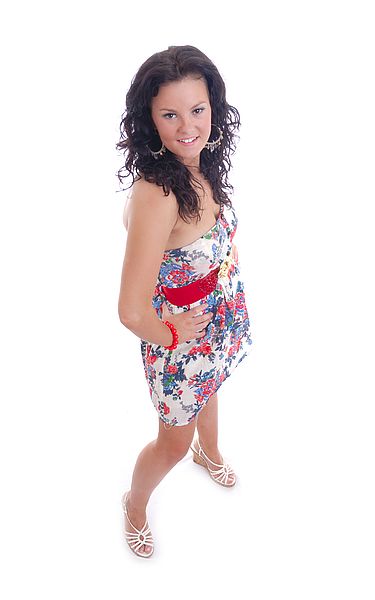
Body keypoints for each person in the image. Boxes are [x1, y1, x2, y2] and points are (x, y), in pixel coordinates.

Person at [116, 45, 253, 558]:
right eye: (169, 114)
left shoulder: (200, 161)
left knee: (213, 388)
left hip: (218, 314)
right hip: (178, 337)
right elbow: (131, 310)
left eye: (197, 109)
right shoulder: (158, 193)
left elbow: (212, 234)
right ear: (149, 119)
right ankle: (133, 502)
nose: (187, 126)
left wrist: (224, 272)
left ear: (213, 105)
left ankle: (209, 452)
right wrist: (174, 333)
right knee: (171, 440)